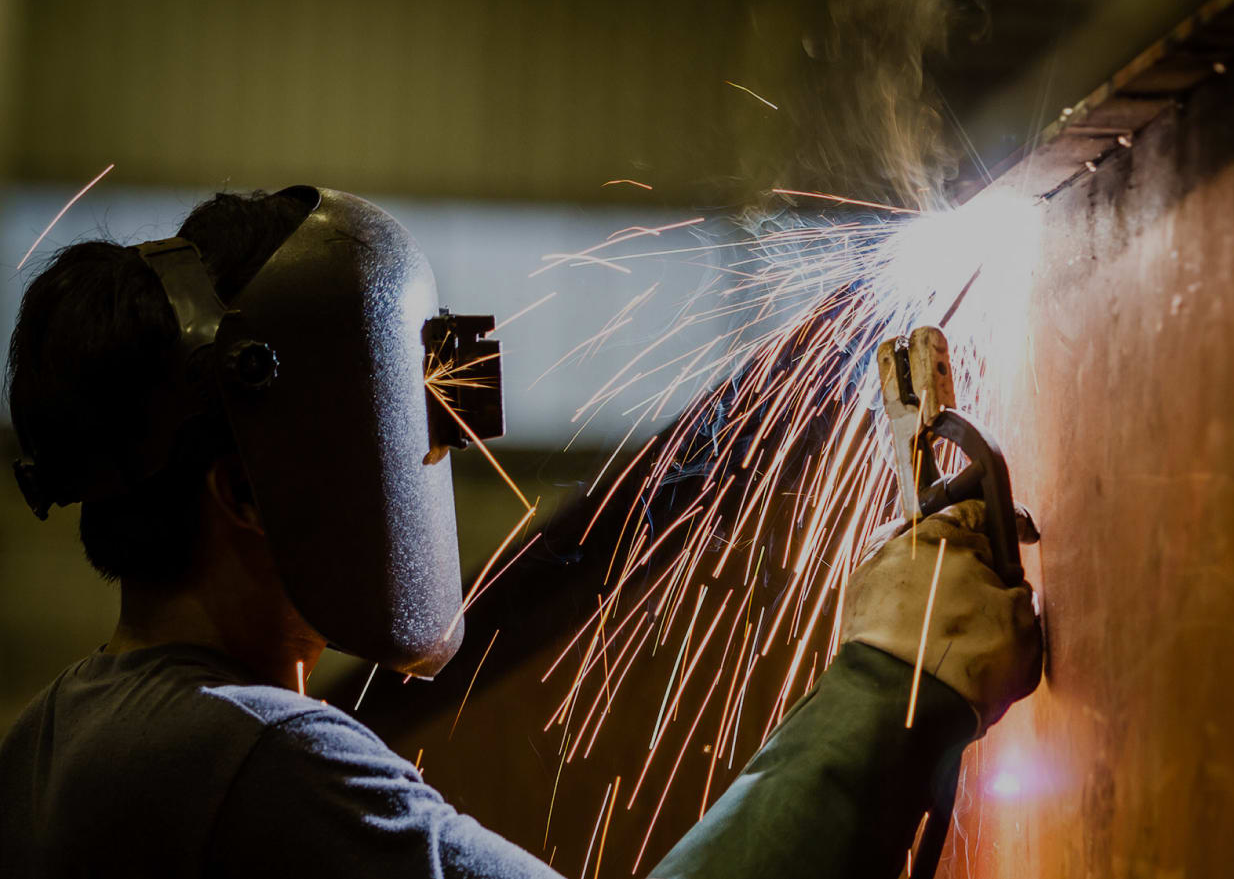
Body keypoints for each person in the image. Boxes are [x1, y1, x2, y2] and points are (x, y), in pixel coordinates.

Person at [0, 187, 1043, 878]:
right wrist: (889, 682)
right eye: (391, 430)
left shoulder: (54, 742)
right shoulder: (248, 761)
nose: (426, 458)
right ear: (244, 492)